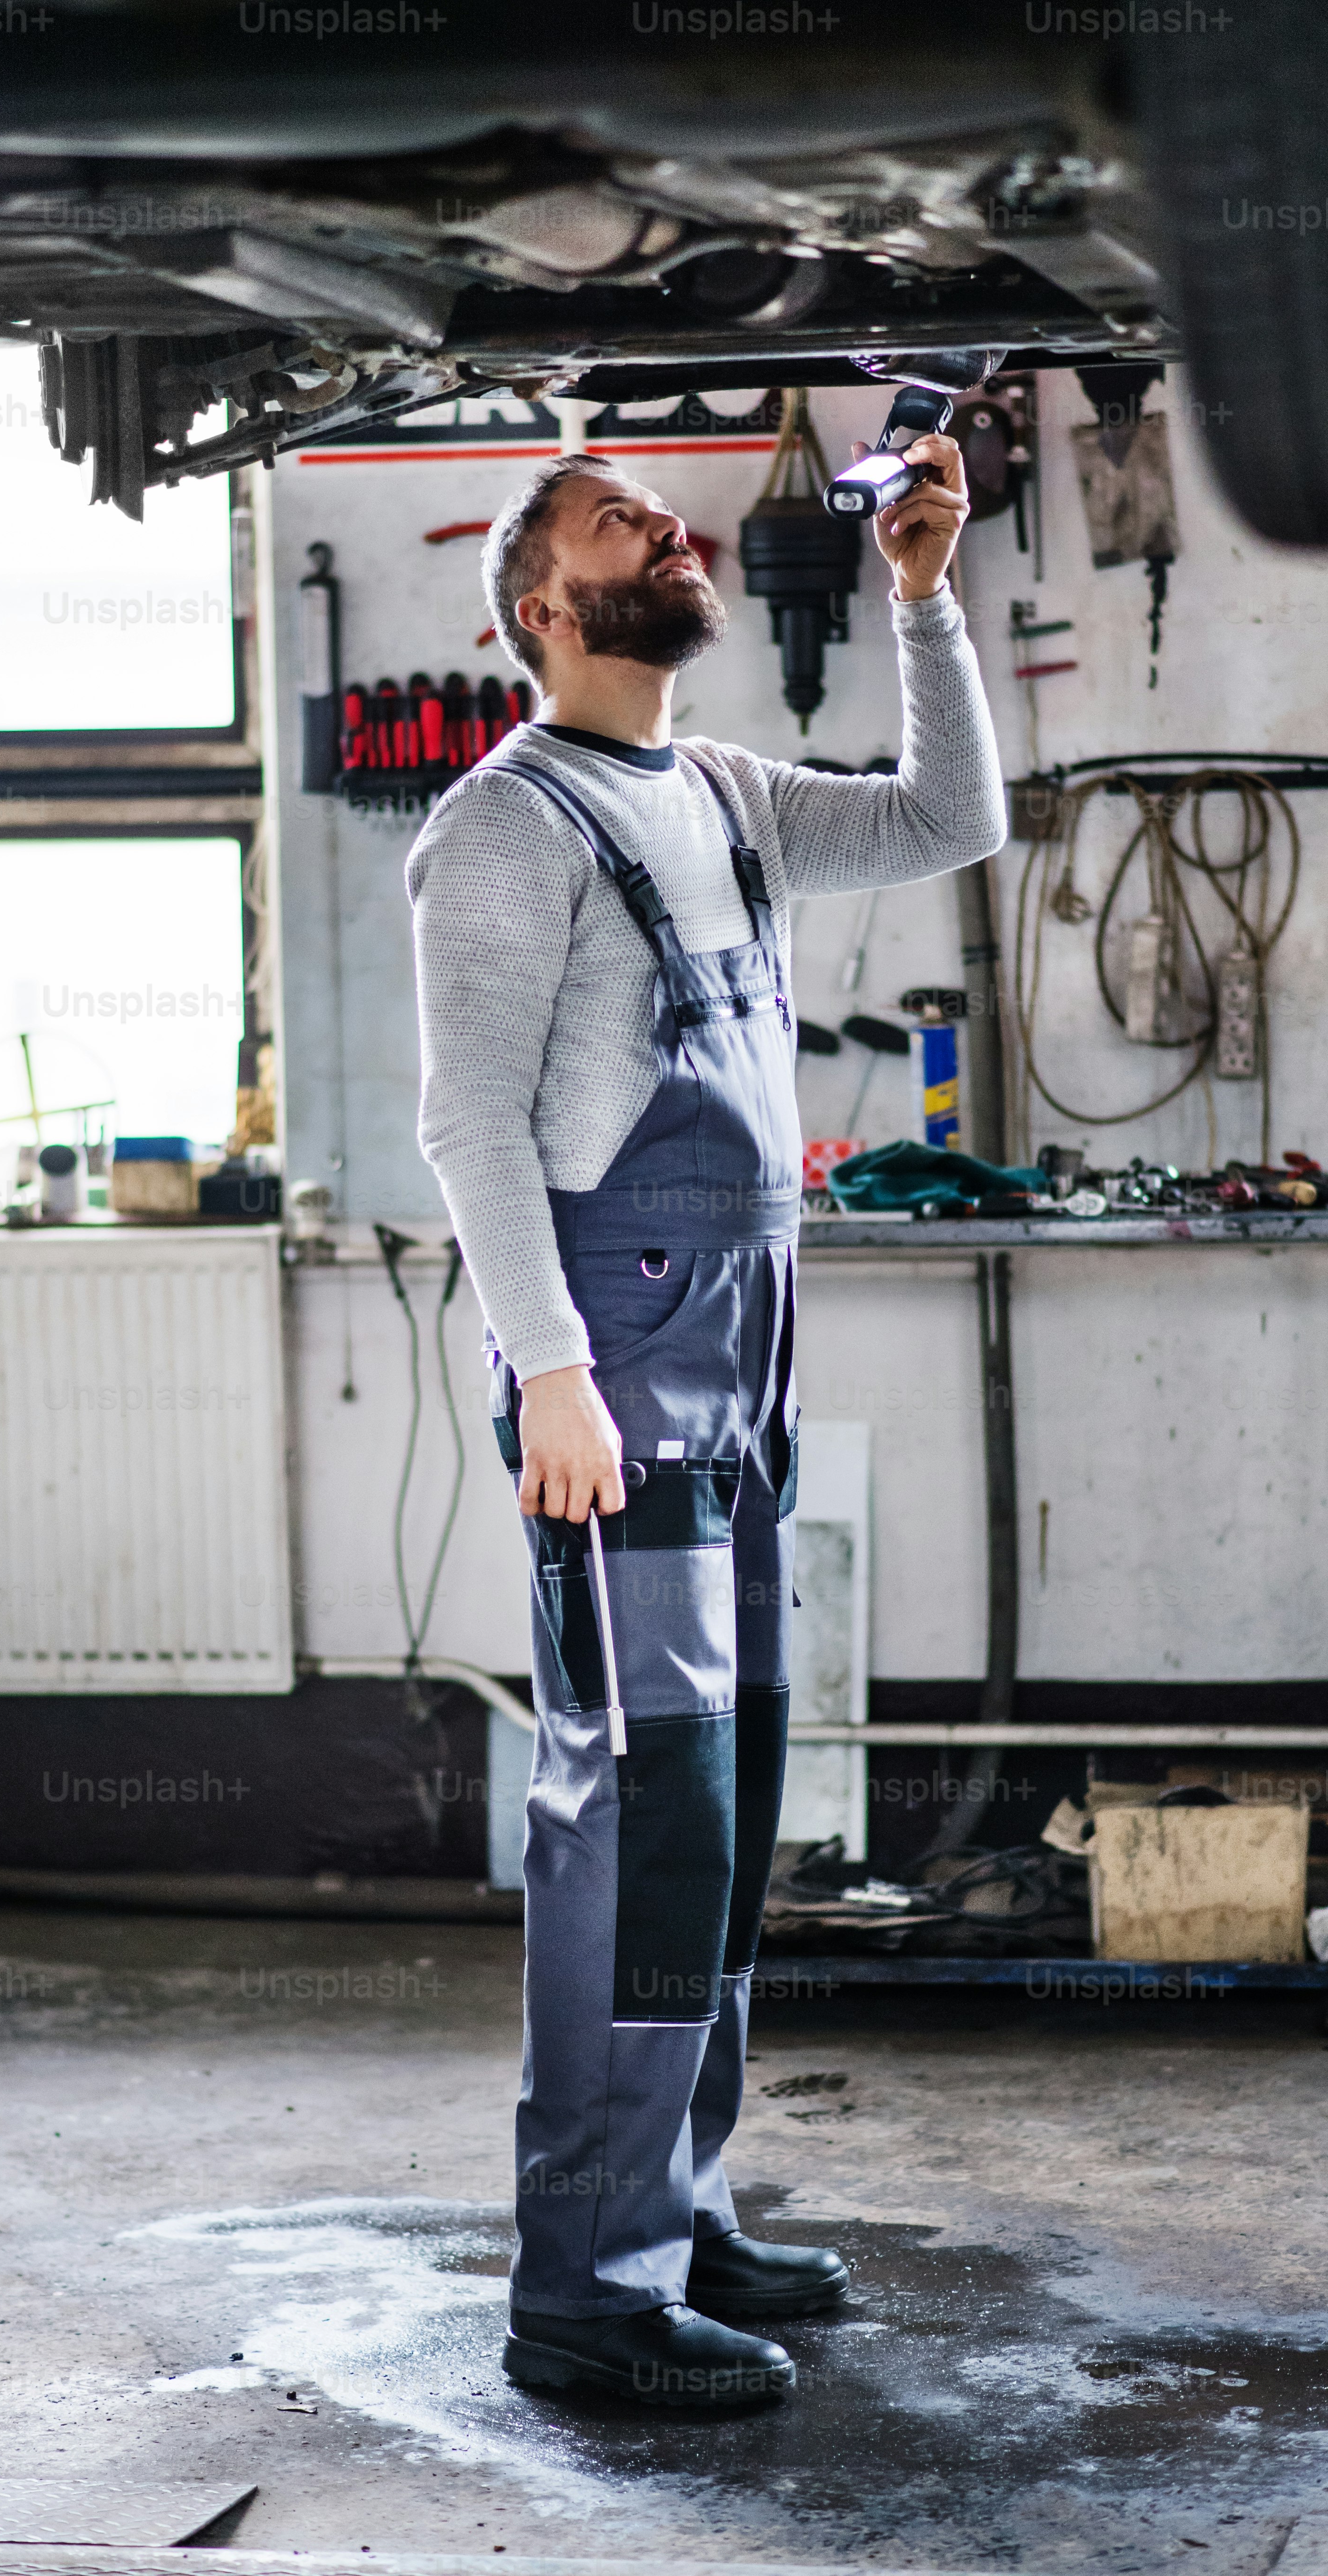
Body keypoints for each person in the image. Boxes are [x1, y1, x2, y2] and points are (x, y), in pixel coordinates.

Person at [406, 420, 1003, 2408]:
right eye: (616, 522)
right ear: (542, 611)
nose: (669, 528)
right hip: (616, 1361)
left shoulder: (724, 790)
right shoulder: (504, 826)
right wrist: (551, 1372)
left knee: (726, 1795)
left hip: (737, 1348)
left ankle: (678, 2200)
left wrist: (922, 597)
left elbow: (946, 821)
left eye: (659, 512)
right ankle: (583, 2288)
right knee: (642, 1819)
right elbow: (468, 1122)